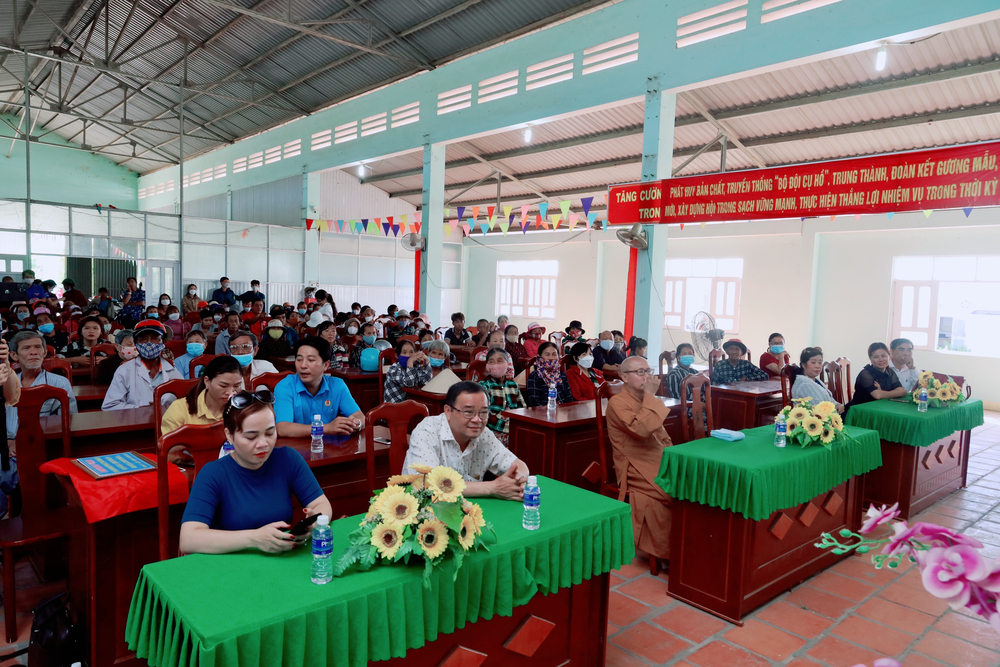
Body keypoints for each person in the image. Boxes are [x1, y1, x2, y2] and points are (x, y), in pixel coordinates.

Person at [178, 392, 332, 555]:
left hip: (278, 560)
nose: (263, 444)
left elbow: (321, 505)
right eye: (251, 437)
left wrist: (316, 523)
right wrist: (254, 539)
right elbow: (188, 539)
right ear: (229, 435)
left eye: (270, 433)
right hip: (229, 567)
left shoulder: (287, 459)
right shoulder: (213, 474)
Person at [402, 381, 529, 498]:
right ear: (448, 411)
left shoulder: (483, 434)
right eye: (468, 412)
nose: (477, 420)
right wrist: (492, 488)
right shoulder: (427, 431)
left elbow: (519, 466)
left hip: (470, 511)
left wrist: (518, 481)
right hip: (423, 511)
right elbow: (428, 484)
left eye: (484, 412)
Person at [606, 356, 673, 566]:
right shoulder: (617, 402)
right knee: (672, 492)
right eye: (640, 372)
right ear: (624, 377)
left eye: (648, 370)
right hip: (635, 464)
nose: (647, 376)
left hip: (657, 456)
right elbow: (642, 430)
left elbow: (661, 434)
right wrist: (652, 395)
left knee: (691, 486)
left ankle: (682, 547)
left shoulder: (644, 398)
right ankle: (667, 551)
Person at [273, 337, 365, 437]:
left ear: (325, 365)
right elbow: (282, 428)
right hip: (295, 449)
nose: (303, 365)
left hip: (331, 449)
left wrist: (355, 424)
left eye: (311, 360)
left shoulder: (337, 385)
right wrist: (325, 428)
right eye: (299, 359)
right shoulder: (285, 387)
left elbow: (361, 417)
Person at [102, 319, 184, 410]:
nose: (149, 343)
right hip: (135, 421)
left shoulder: (172, 369)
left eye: (155, 338)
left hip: (167, 420)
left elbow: (184, 401)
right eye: (143, 339)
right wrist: (141, 409)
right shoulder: (124, 370)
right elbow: (110, 405)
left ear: (163, 341)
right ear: (136, 342)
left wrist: (164, 409)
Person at [161, 355, 242, 435]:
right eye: (223, 386)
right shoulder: (179, 409)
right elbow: (169, 446)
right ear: (207, 381)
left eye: (236, 386)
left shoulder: (242, 410)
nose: (230, 392)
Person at [8, 331, 78, 418]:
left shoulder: (61, 383)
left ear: (44, 352)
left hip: (49, 431)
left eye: (38, 347)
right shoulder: (6, 384)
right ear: (14, 355)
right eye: (26, 348)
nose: (33, 352)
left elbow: (70, 419)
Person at [478, 348, 526, 445]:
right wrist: (508, 428)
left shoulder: (513, 385)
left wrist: (518, 427)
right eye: (491, 361)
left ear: (507, 363)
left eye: (500, 361)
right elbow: (484, 414)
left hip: (515, 427)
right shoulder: (483, 386)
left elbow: (523, 409)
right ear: (487, 365)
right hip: (492, 429)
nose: (496, 365)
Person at [848, 342, 908, 408]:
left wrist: (882, 392)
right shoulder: (865, 373)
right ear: (870, 359)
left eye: (883, 356)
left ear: (889, 357)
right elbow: (878, 395)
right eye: (876, 357)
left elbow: (904, 392)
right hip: (860, 410)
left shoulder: (890, 371)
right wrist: (897, 393)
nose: (880, 360)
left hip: (879, 408)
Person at [791, 347, 845, 414]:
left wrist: (838, 405)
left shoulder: (816, 380)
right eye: (813, 362)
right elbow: (819, 410)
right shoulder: (804, 384)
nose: (818, 366)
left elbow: (829, 399)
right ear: (803, 365)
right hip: (816, 421)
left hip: (830, 416)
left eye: (820, 362)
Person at [525, 342, 573, 407]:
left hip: (563, 413)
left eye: (554, 354)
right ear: (539, 357)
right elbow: (534, 403)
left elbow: (569, 399)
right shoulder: (535, 376)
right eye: (547, 354)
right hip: (542, 414)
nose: (551, 358)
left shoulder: (562, 375)